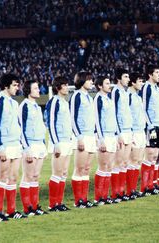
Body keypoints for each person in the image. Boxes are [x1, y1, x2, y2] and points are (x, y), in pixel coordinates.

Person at [0, 74, 25, 220]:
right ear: (6, 86)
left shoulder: (14, 102)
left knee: (13, 177)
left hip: (15, 144)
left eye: (18, 85)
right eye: (15, 85)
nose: (17, 88)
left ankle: (11, 210)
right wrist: (0, 147)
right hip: (4, 144)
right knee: (2, 176)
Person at [18, 80, 48, 215]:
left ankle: (35, 206)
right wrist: (26, 148)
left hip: (39, 144)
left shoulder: (36, 106)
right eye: (35, 88)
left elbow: (40, 127)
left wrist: (43, 144)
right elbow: (21, 128)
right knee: (28, 176)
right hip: (30, 144)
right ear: (28, 90)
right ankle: (27, 208)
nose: (38, 90)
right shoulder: (24, 106)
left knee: (35, 176)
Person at [45, 76, 72, 211]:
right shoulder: (54, 101)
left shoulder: (64, 102)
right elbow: (50, 123)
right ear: (58, 88)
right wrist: (56, 143)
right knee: (57, 173)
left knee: (64, 173)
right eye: (65, 85)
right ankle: (52, 204)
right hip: (59, 141)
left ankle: (59, 203)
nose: (67, 87)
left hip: (67, 141)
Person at [69, 72, 96, 208]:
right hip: (82, 136)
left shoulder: (89, 98)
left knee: (86, 168)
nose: (92, 82)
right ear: (82, 81)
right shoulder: (76, 96)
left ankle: (84, 199)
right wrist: (79, 137)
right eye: (89, 80)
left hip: (91, 136)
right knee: (79, 169)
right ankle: (77, 200)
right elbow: (72, 118)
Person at [93, 76, 118, 205]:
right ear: (100, 86)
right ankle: (99, 197)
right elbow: (96, 120)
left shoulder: (109, 99)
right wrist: (100, 139)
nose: (110, 85)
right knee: (103, 166)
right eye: (107, 83)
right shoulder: (98, 99)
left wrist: (116, 135)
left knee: (109, 167)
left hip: (112, 136)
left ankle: (105, 195)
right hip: (104, 136)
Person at [110, 68, 133, 202]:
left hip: (128, 130)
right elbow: (114, 113)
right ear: (119, 78)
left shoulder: (125, 92)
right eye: (125, 77)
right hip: (120, 131)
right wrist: (117, 133)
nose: (128, 79)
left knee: (124, 163)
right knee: (118, 163)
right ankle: (115, 193)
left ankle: (121, 191)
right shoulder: (116, 92)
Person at [140, 64, 159, 195]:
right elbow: (143, 108)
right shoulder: (146, 88)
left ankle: (150, 185)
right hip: (151, 126)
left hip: (158, 125)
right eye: (157, 72)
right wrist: (150, 126)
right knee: (149, 156)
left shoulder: (156, 88)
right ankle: (144, 187)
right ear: (150, 74)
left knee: (154, 156)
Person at [127, 73, 146, 197]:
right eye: (139, 81)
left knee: (138, 161)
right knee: (132, 161)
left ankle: (133, 189)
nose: (142, 84)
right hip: (133, 131)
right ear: (133, 83)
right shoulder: (127, 96)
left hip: (141, 131)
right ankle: (128, 190)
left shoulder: (138, 97)